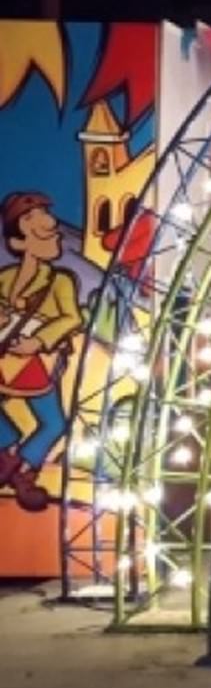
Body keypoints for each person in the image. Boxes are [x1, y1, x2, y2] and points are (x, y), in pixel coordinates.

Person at [0, 192, 83, 512]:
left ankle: (22, 467)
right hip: (5, 357)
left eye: (53, 232)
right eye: (43, 233)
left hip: (35, 362)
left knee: (54, 423)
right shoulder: (5, 278)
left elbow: (72, 318)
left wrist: (38, 340)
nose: (55, 235)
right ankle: (9, 456)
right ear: (18, 242)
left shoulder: (60, 281)